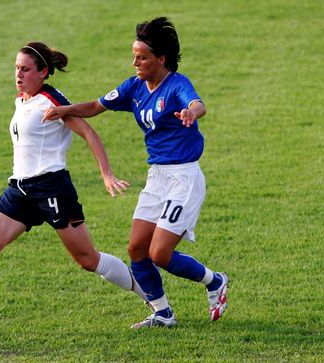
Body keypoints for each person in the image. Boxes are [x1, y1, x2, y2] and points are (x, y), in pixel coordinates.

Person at [0, 41, 148, 336]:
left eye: (25, 69)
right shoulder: (23, 100)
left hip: (52, 188)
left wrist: (106, 174)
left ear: (43, 72)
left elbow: (89, 132)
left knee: (88, 260)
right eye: (17, 68)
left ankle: (153, 299)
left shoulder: (52, 101)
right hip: (21, 188)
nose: (19, 74)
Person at [43, 17, 229, 328]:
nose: (135, 62)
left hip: (183, 178)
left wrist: (190, 112)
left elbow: (198, 104)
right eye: (134, 55)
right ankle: (162, 313)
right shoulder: (134, 87)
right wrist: (66, 109)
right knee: (137, 249)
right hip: (157, 177)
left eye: (141, 57)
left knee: (159, 253)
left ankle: (214, 280)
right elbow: (97, 105)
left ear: (161, 59)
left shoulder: (176, 85)